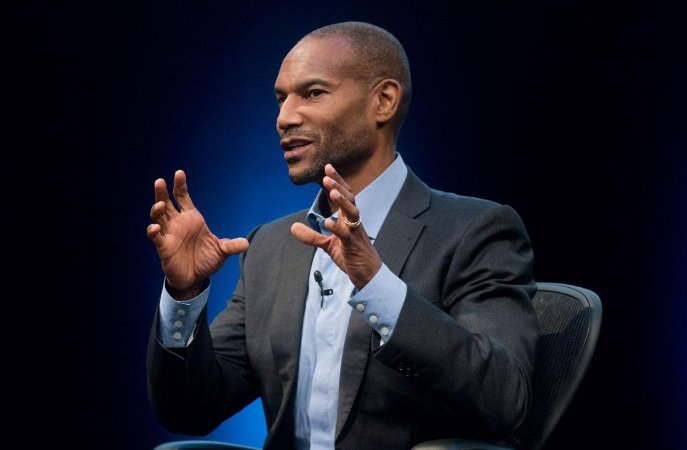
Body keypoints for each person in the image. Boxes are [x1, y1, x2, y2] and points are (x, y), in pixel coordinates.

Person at [145, 21, 539, 450]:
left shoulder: (475, 231)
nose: (284, 118)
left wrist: (377, 284)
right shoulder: (270, 247)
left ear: (383, 101)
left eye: (313, 93)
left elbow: (505, 399)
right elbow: (188, 410)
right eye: (281, 99)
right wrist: (184, 296)